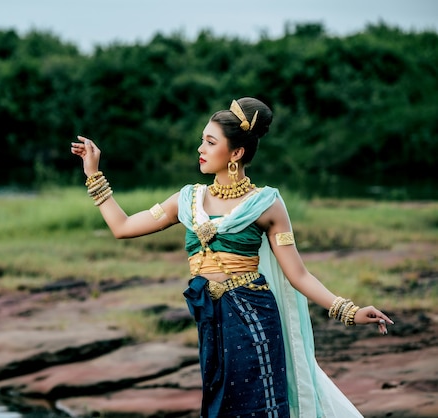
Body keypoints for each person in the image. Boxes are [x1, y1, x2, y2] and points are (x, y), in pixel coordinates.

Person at [70, 97, 393, 418]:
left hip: (254, 320)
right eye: (202, 141)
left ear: (236, 153)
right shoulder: (187, 200)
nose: (201, 148)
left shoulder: (266, 204)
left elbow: (299, 275)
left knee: (258, 409)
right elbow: (123, 227)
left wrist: (349, 311)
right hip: (212, 320)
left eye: (210, 142)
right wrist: (93, 173)